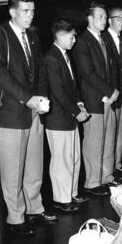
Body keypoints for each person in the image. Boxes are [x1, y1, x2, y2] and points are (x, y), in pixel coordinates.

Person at [0, 0, 57, 236]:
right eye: (25, 11)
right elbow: (1, 72)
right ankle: (15, 218)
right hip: (12, 112)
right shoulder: (1, 34)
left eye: (32, 11)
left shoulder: (32, 36)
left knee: (34, 164)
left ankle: (34, 208)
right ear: (12, 12)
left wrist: (41, 98)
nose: (30, 15)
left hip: (35, 109)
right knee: (13, 168)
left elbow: (41, 70)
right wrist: (27, 98)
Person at [72, 2, 119, 197]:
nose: (104, 20)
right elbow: (88, 73)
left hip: (107, 97)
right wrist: (110, 90)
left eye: (105, 16)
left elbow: (111, 68)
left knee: (107, 140)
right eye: (100, 16)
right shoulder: (83, 42)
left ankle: (106, 177)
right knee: (93, 143)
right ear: (90, 19)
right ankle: (92, 182)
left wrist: (112, 91)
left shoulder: (103, 39)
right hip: (93, 98)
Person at [44, 19, 90, 213]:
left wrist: (79, 103)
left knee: (73, 157)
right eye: (71, 36)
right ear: (61, 36)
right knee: (61, 160)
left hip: (69, 116)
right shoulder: (51, 57)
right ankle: (61, 199)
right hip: (58, 118)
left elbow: (73, 86)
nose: (74, 40)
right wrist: (76, 111)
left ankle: (71, 193)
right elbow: (58, 92)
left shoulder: (65, 55)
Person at [103, 7, 122, 175]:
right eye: (118, 18)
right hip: (111, 91)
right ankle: (108, 169)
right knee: (110, 132)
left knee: (121, 128)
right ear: (110, 20)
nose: (121, 21)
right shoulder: (104, 39)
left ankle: (117, 163)